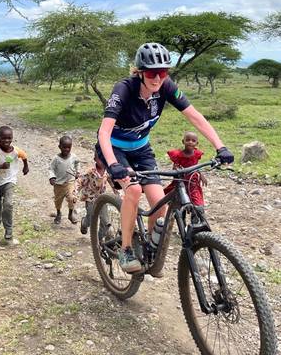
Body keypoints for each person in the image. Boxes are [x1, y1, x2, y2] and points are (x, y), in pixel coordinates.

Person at [97, 42, 234, 273]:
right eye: (152, 73)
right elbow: (104, 132)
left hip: (141, 149)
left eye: (163, 72)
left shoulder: (166, 87)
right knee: (133, 190)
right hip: (114, 148)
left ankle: (151, 249)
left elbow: (195, 117)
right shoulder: (123, 89)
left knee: (159, 205)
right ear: (140, 72)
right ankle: (126, 249)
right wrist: (112, 164)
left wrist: (220, 146)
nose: (157, 78)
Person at [0, 126, 29, 241]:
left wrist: (26, 167)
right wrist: (1, 166)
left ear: (12, 138)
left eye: (9, 138)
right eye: (4, 138)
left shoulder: (15, 150)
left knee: (8, 204)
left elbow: (24, 156)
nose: (7, 141)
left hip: (10, 180)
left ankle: (8, 228)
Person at [78, 150, 119, 237]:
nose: (103, 161)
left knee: (105, 221)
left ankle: (99, 240)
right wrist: (74, 192)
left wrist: (117, 192)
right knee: (91, 219)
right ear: (95, 159)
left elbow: (112, 182)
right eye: (100, 159)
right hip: (90, 198)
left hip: (102, 198)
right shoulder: (90, 171)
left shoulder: (107, 171)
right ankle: (84, 223)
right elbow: (81, 181)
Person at [166, 131, 207, 207]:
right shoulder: (178, 155)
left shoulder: (196, 154)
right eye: (187, 140)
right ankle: (174, 216)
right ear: (183, 141)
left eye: (193, 141)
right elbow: (174, 168)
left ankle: (196, 217)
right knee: (177, 203)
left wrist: (201, 175)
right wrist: (176, 169)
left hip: (192, 182)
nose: (190, 142)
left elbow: (195, 166)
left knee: (198, 203)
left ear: (197, 143)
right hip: (180, 181)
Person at [49, 135, 80, 225]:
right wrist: (52, 177)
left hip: (70, 182)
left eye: (69, 147)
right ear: (59, 147)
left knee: (72, 198)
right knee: (58, 200)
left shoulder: (73, 157)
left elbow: (77, 163)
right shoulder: (56, 159)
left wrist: (77, 172)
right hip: (58, 184)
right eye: (64, 147)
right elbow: (51, 168)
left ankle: (70, 214)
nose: (66, 149)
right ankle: (58, 213)